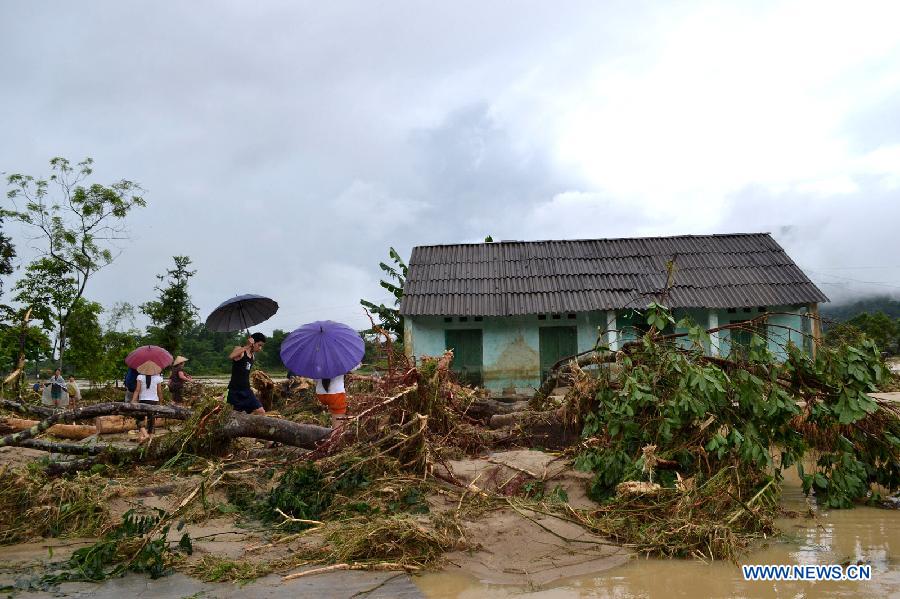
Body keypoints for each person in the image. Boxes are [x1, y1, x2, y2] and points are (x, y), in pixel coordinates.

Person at [225, 332, 266, 415]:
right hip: (235, 391)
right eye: (259, 345)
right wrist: (247, 346)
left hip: (246, 390)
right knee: (233, 415)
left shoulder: (253, 356)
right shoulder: (240, 350)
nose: (260, 348)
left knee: (261, 411)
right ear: (253, 342)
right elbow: (231, 356)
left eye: (261, 346)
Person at [131, 370, 163, 444]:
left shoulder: (140, 377)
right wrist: (161, 402)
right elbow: (159, 391)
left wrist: (133, 401)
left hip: (143, 401)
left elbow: (137, 390)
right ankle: (150, 442)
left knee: (139, 420)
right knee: (151, 421)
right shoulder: (158, 378)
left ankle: (145, 435)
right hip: (153, 402)